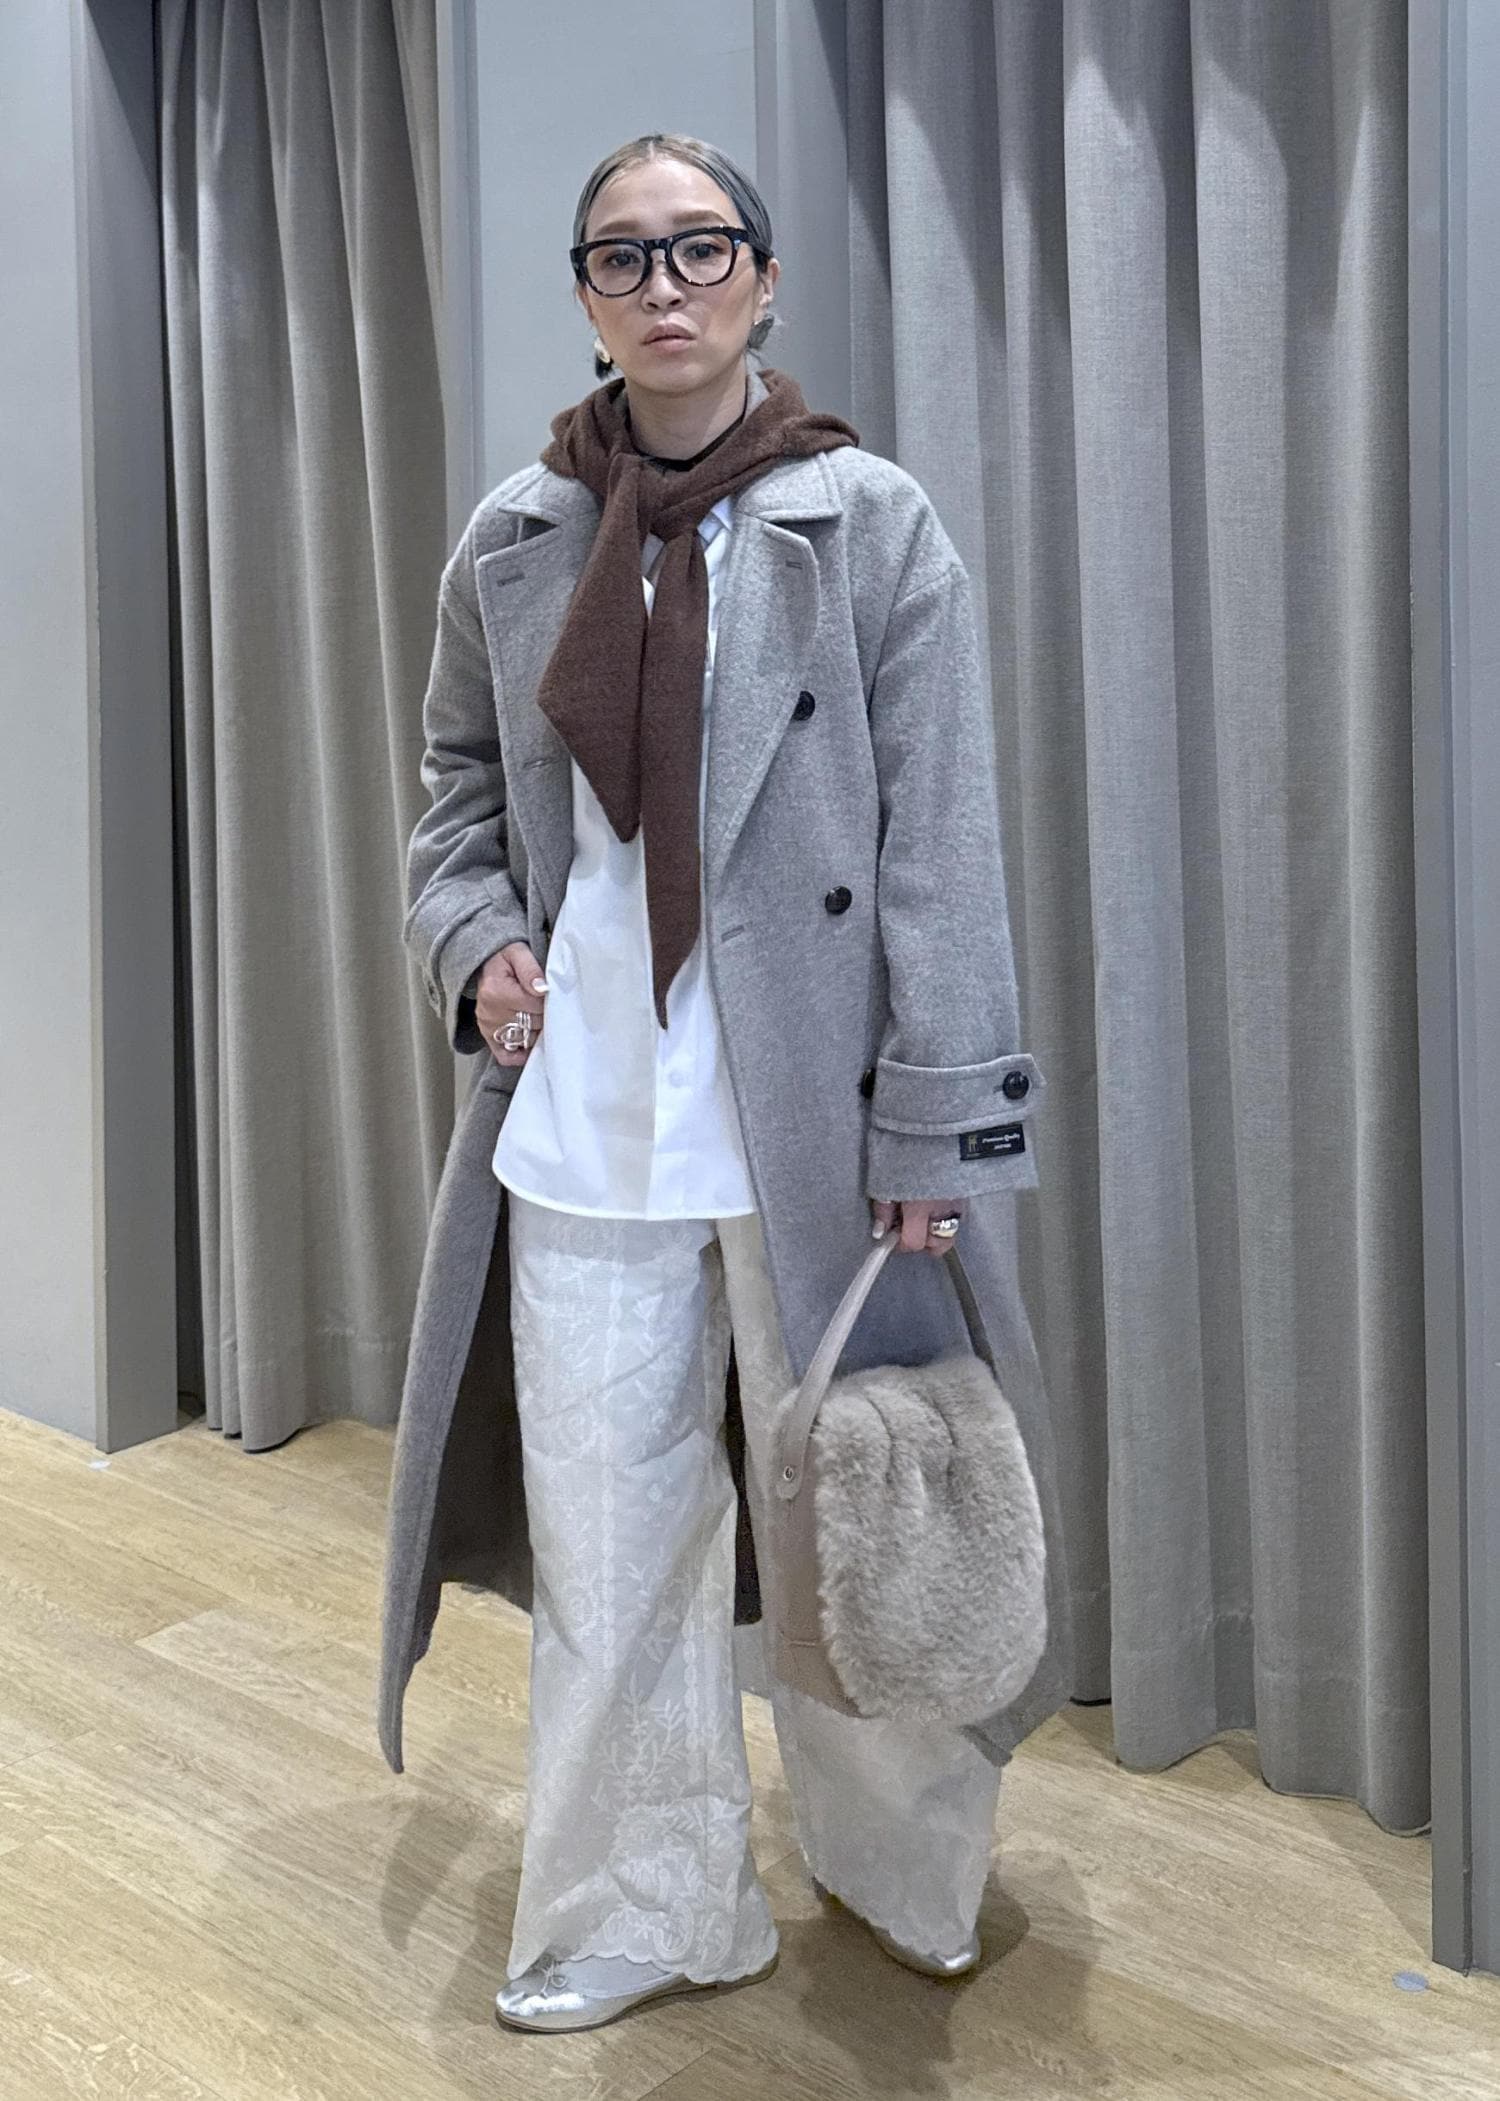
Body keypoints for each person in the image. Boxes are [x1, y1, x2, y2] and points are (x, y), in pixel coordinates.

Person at [397, 130, 1057, 2037]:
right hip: (586, 1117)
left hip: (816, 1125)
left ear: (762, 279)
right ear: (587, 297)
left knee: (865, 1516)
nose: (666, 285)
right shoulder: (518, 533)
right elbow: (453, 794)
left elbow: (941, 846)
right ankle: (647, 1900)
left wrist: (934, 1122)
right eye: (625, 255)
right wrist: (476, 945)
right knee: (612, 1542)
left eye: (702, 248)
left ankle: (897, 1862)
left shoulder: (871, 522)